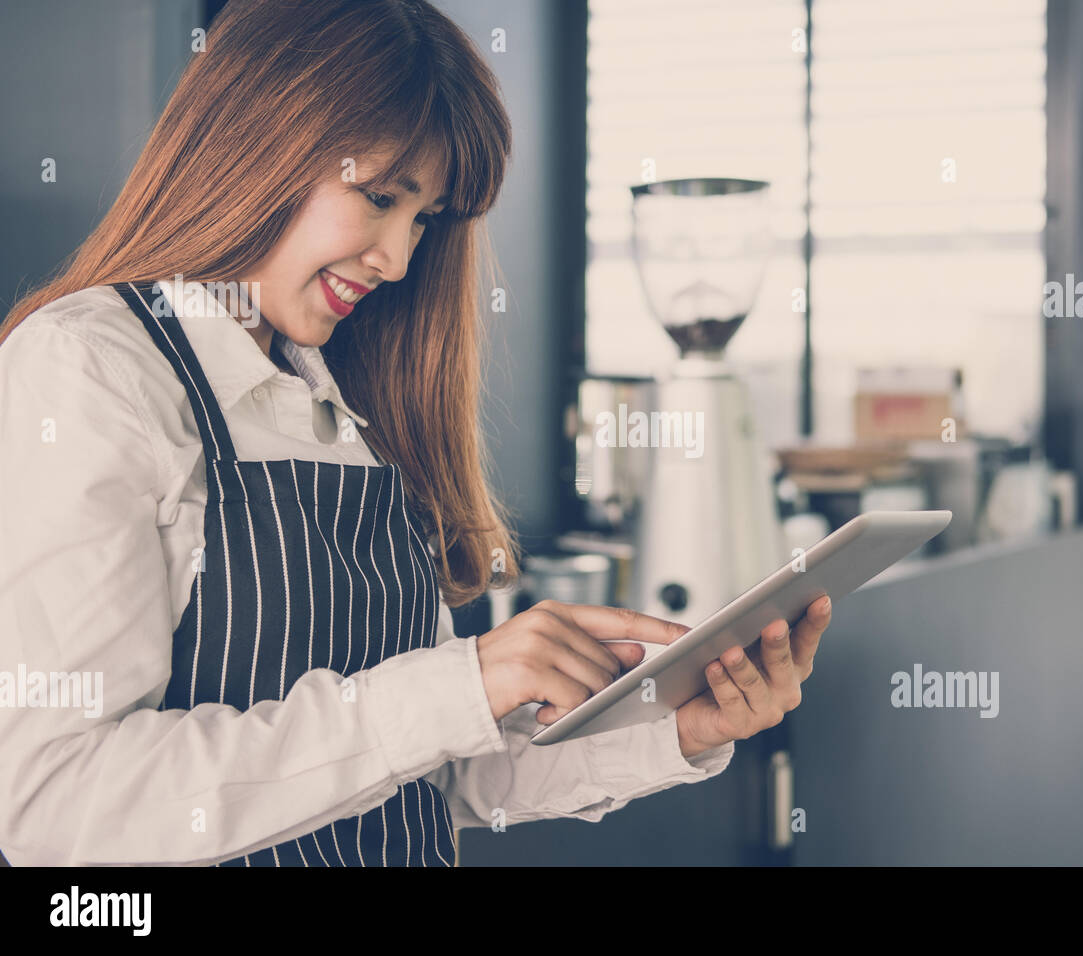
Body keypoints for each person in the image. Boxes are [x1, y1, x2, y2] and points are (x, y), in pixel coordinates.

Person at [0, 0, 830, 867]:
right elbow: (57, 801)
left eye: (424, 217)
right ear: (258, 142)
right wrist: (454, 686)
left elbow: (442, 774)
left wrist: (676, 735)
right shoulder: (91, 368)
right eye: (381, 197)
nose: (398, 259)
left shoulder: (339, 394)